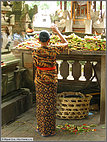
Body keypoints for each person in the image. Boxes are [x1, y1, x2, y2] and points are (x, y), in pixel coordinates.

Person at [32, 24, 68, 137]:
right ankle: (49, 130)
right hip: (51, 80)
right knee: (50, 104)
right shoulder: (53, 49)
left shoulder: (35, 51)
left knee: (41, 103)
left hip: (40, 80)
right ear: (49, 40)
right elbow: (66, 44)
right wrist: (57, 31)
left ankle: (41, 128)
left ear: (38, 40)